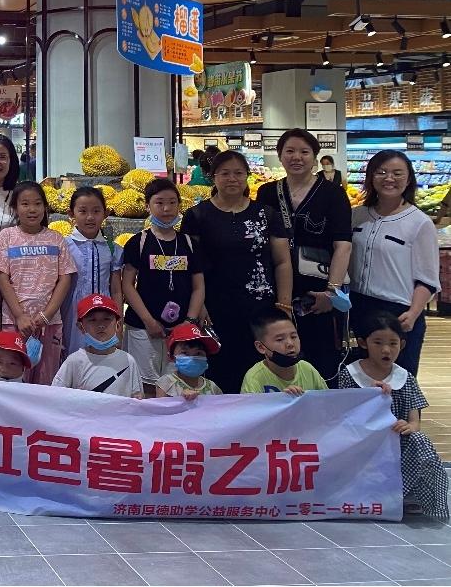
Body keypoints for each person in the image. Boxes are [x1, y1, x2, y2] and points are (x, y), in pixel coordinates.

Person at [181, 150, 292, 393]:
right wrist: (199, 306)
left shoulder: (266, 214)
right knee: (219, 371)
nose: (232, 179)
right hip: (215, 308)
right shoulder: (197, 216)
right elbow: (190, 267)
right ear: (213, 177)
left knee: (259, 371)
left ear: (247, 176)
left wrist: (284, 305)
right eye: (225, 173)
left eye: (238, 173)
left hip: (260, 308)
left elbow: (283, 262)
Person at [255, 129, 353, 384]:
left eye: (304, 152)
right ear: (280, 156)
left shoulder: (333, 193)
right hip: (277, 290)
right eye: (289, 151)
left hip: (318, 291)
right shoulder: (267, 193)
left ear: (315, 157)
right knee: (278, 358)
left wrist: (331, 292)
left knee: (321, 359)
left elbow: (343, 245)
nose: (296, 157)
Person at [339, 310, 448, 520]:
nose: (386, 350)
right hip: (362, 438)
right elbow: (345, 416)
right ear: (363, 343)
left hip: (396, 440)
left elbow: (414, 421)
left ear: (402, 345)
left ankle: (408, 494)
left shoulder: (405, 377)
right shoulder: (350, 374)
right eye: (378, 343)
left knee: (420, 440)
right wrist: (370, 396)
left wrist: (408, 427)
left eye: (393, 343)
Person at [349, 149, 441, 376]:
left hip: (398, 313)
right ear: (371, 177)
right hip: (357, 307)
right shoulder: (357, 215)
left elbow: (428, 279)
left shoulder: (419, 222)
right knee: (358, 379)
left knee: (398, 380)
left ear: (408, 179)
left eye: (397, 173)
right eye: (381, 172)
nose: (389, 178)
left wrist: (414, 312)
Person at [121, 179, 205, 396]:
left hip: (181, 328)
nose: (166, 209)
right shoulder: (137, 242)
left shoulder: (189, 244)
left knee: (178, 385)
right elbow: (127, 285)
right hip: (142, 327)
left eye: (172, 202)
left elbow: (198, 286)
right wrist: (148, 321)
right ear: (147, 205)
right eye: (159, 203)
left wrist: (189, 322)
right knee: (144, 386)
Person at [0, 181, 77, 385]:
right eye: (25, 204)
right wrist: (20, 315)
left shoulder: (56, 238)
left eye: (37, 203)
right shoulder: (7, 236)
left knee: (47, 379)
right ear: (15, 207)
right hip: (15, 323)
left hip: (50, 324)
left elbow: (65, 277)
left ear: (45, 207)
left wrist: (47, 315)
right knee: (14, 379)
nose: (32, 209)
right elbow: (1, 276)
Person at [62, 187, 124, 358]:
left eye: (96, 211)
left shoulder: (112, 249)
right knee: (74, 357)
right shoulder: (64, 246)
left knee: (104, 358)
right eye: (83, 211)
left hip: (105, 312)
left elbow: (116, 290)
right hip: (72, 311)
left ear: (105, 213)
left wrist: (119, 322)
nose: (90, 217)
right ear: (71, 214)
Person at [51, 293, 143, 397]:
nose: (100, 325)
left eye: (107, 319)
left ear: (118, 324)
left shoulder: (128, 360)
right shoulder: (74, 361)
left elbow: (137, 397)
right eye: (92, 320)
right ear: (81, 327)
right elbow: (56, 396)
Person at [240, 307, 327, 394]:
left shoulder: (308, 369)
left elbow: (326, 400)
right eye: (280, 339)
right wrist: (284, 399)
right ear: (261, 347)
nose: (290, 344)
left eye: (293, 337)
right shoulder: (254, 378)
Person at [155, 322, 222, 399]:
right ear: (172, 357)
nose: (192, 358)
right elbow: (160, 406)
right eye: (184, 353)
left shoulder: (213, 388)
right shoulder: (166, 384)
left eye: (198, 353)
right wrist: (181, 399)